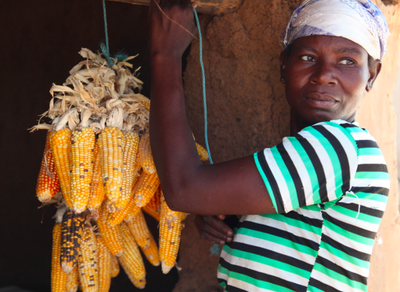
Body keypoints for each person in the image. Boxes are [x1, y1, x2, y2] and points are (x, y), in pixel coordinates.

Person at [148, 0, 390, 291]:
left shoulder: (340, 147)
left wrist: (165, 54)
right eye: (308, 57)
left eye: (347, 61)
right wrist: (234, 215)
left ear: (372, 75)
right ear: (283, 66)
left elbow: (183, 189)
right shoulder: (308, 157)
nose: (324, 74)